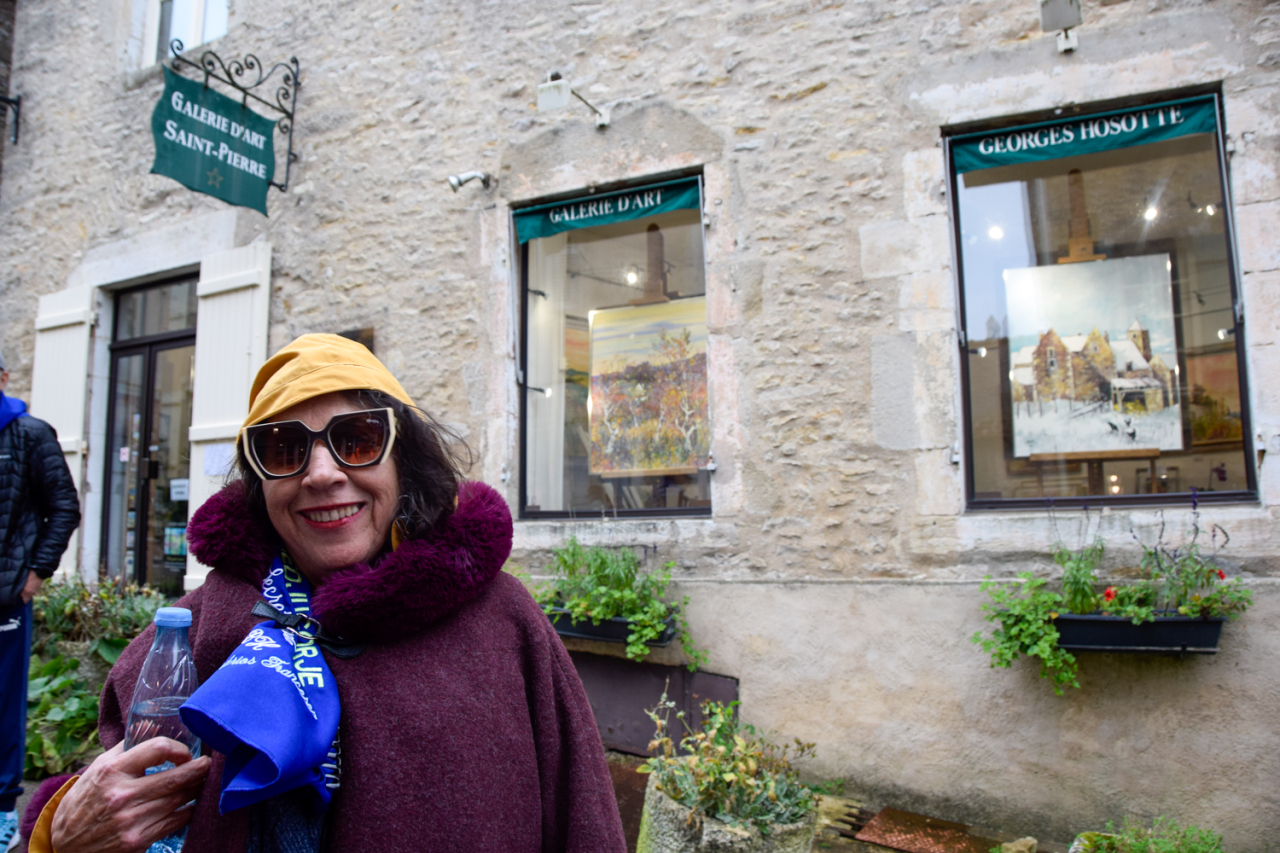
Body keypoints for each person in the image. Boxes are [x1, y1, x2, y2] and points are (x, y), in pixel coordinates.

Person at [30, 334, 626, 853]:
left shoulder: (502, 623)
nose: (321, 474)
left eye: (358, 440)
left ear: (403, 459)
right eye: (284, 449)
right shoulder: (188, 635)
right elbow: (105, 804)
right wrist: (59, 836)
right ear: (259, 481)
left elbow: (586, 822)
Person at [0, 349, 81, 852]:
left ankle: (3, 811)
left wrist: (35, 574)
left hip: (5, 598)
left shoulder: (29, 434)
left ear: (4, 377)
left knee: (3, 704)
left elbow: (64, 506)